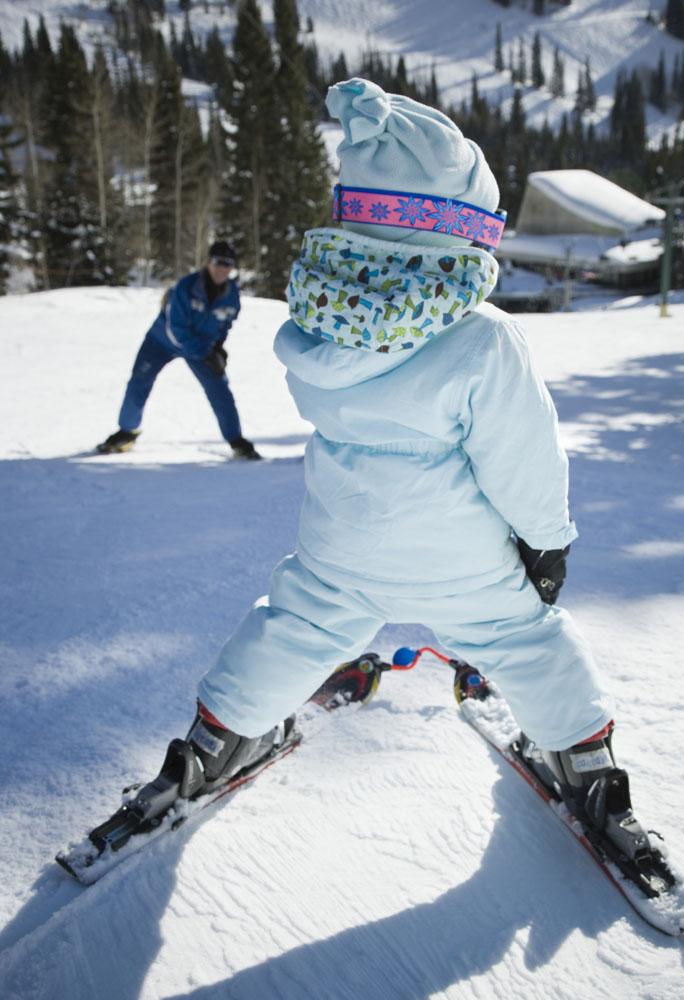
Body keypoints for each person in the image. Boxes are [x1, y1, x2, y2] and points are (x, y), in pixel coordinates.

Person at [167, 79, 635, 843]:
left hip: (341, 548)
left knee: (293, 626)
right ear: (459, 228)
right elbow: (526, 459)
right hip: (460, 563)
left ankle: (214, 741)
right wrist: (546, 542)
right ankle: (587, 766)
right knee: (529, 639)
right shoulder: (483, 338)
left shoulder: (321, 322)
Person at [97, 241, 261, 460]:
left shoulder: (232, 295)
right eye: (218, 262)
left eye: (228, 264)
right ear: (208, 262)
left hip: (201, 347)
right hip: (161, 342)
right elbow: (175, 330)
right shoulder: (186, 287)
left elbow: (225, 323)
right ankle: (127, 432)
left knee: (220, 389)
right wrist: (206, 352)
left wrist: (218, 348)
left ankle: (236, 440)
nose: (222, 268)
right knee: (139, 381)